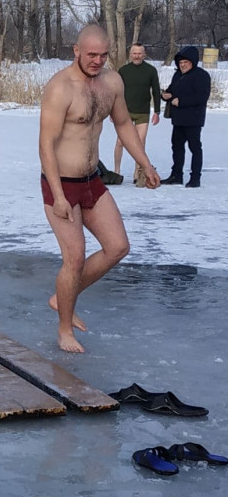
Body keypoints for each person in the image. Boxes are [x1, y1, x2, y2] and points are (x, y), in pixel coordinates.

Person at [39, 25, 160, 353]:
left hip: (92, 180)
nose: (97, 60)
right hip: (61, 183)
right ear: (76, 50)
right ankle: (65, 329)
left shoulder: (112, 82)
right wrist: (59, 196)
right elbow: (46, 146)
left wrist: (145, 164)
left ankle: (61, 296)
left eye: (103, 55)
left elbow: (123, 125)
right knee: (74, 257)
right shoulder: (60, 88)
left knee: (118, 247)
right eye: (91, 54)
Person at [160, 46, 211, 188]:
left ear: (193, 62)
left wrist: (181, 101)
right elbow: (172, 90)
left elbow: (202, 97)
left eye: (186, 63)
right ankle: (176, 175)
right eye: (181, 63)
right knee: (176, 147)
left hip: (193, 119)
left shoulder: (201, 75)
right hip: (178, 119)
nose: (182, 65)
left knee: (195, 148)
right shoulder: (178, 75)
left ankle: (195, 178)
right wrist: (165, 95)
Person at [113, 43, 161, 184]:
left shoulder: (150, 70)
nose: (137, 56)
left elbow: (156, 92)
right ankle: (116, 171)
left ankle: (137, 172)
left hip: (143, 112)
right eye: (134, 53)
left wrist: (157, 111)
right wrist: (112, 110)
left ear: (144, 54)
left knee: (139, 143)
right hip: (124, 112)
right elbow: (116, 92)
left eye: (140, 53)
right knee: (120, 142)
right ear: (130, 54)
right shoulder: (123, 71)